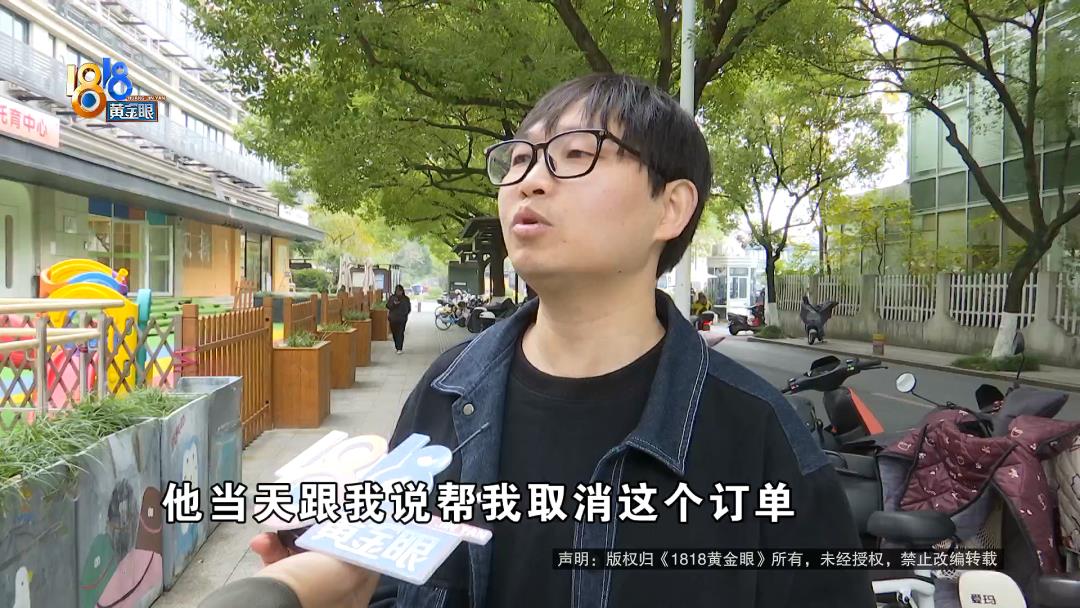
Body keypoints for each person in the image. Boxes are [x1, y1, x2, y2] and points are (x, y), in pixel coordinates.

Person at [201, 73, 872, 608]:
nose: (529, 178)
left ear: (671, 207)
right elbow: (394, 587)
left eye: (576, 153)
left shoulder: (760, 436)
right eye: (519, 158)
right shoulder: (447, 390)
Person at [387, 284, 411, 354]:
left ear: (402, 291)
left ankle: (399, 348)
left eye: (400, 291)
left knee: (400, 333)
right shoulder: (392, 298)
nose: (398, 292)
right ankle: (397, 346)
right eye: (397, 291)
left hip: (402, 319)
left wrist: (405, 314)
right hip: (393, 319)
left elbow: (409, 309)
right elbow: (388, 306)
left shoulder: (406, 299)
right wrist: (394, 304)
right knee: (394, 333)